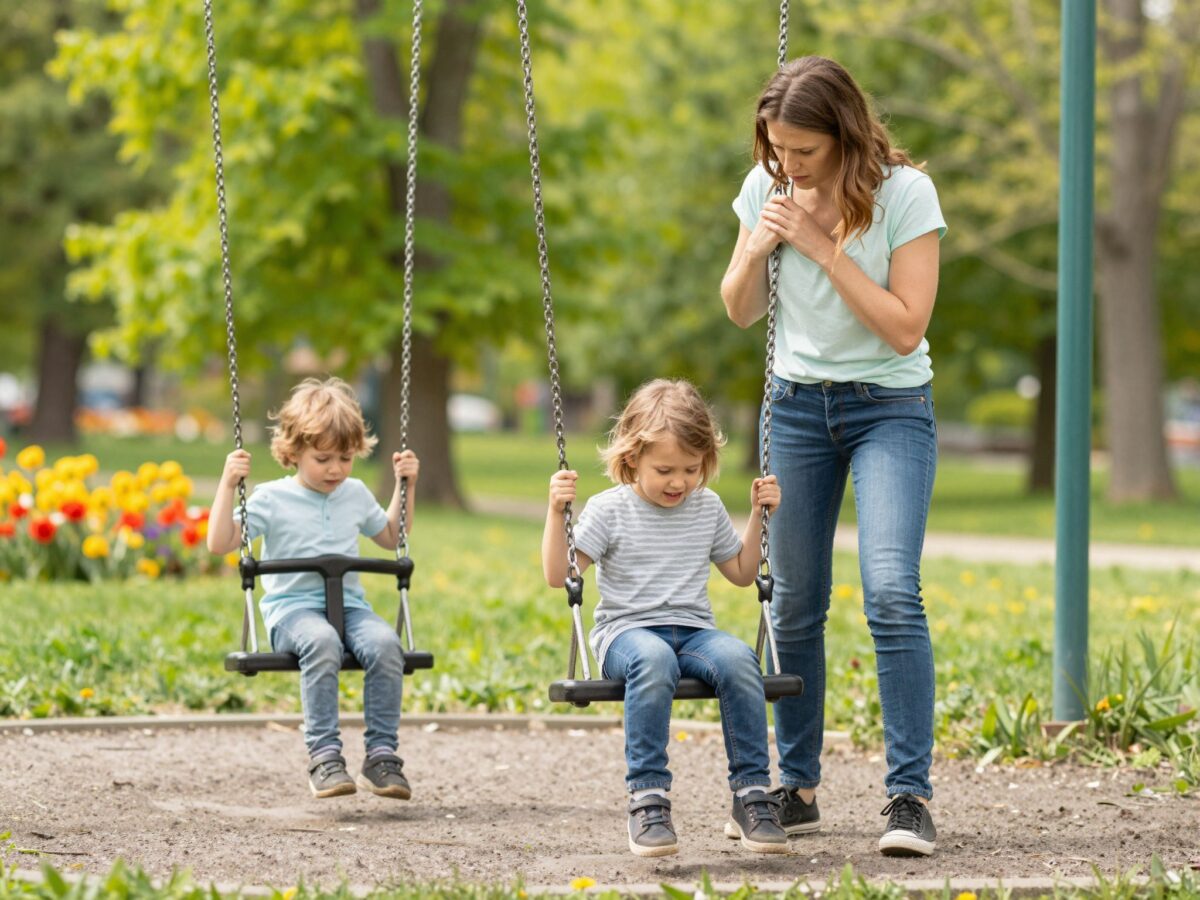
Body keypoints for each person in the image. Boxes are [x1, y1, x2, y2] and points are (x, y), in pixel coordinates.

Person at [721, 56, 946, 858]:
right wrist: (757, 247)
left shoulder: (905, 195)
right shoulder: (768, 187)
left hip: (890, 407)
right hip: (795, 408)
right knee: (794, 603)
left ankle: (909, 796)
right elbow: (741, 310)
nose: (789, 165)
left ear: (845, 136)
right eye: (777, 149)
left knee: (890, 591)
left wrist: (820, 247)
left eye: (804, 152)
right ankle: (798, 786)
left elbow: (905, 327)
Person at [541, 378, 787, 858]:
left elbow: (740, 571)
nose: (679, 481)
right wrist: (556, 512)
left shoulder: (706, 506)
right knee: (654, 660)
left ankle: (751, 795)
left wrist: (759, 515)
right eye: (665, 469)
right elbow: (559, 574)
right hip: (626, 636)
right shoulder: (609, 509)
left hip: (693, 631)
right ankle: (648, 799)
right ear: (632, 459)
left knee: (738, 659)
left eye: (691, 469)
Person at [207, 377, 420, 800]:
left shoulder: (355, 494)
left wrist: (405, 485)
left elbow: (393, 535)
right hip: (292, 614)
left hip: (351, 609)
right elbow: (220, 543)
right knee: (322, 641)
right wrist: (228, 484)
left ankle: (381, 757)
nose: (336, 469)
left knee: (385, 645)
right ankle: (324, 756)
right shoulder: (270, 499)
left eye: (345, 457)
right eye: (323, 458)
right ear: (293, 451)